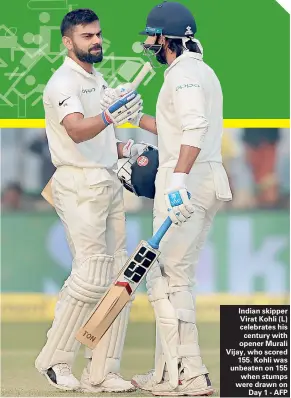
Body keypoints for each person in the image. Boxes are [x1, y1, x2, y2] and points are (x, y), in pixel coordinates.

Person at [102, 1, 232, 395]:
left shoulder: (184, 76)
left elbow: (195, 126)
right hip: (197, 175)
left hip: (187, 180)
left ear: (167, 38)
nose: (150, 44)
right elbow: (177, 128)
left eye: (152, 37)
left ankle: (191, 376)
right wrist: (134, 117)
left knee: (170, 279)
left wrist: (176, 180)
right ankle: (167, 373)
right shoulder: (194, 71)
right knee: (172, 275)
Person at [34, 8, 147, 392]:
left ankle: (103, 370)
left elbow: (99, 139)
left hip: (107, 179)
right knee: (91, 274)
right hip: (78, 183)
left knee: (120, 277)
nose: (96, 40)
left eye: (98, 34)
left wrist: (128, 145)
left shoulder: (96, 79)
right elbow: (78, 132)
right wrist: (112, 112)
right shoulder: (62, 82)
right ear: (68, 41)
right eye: (87, 36)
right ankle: (55, 361)